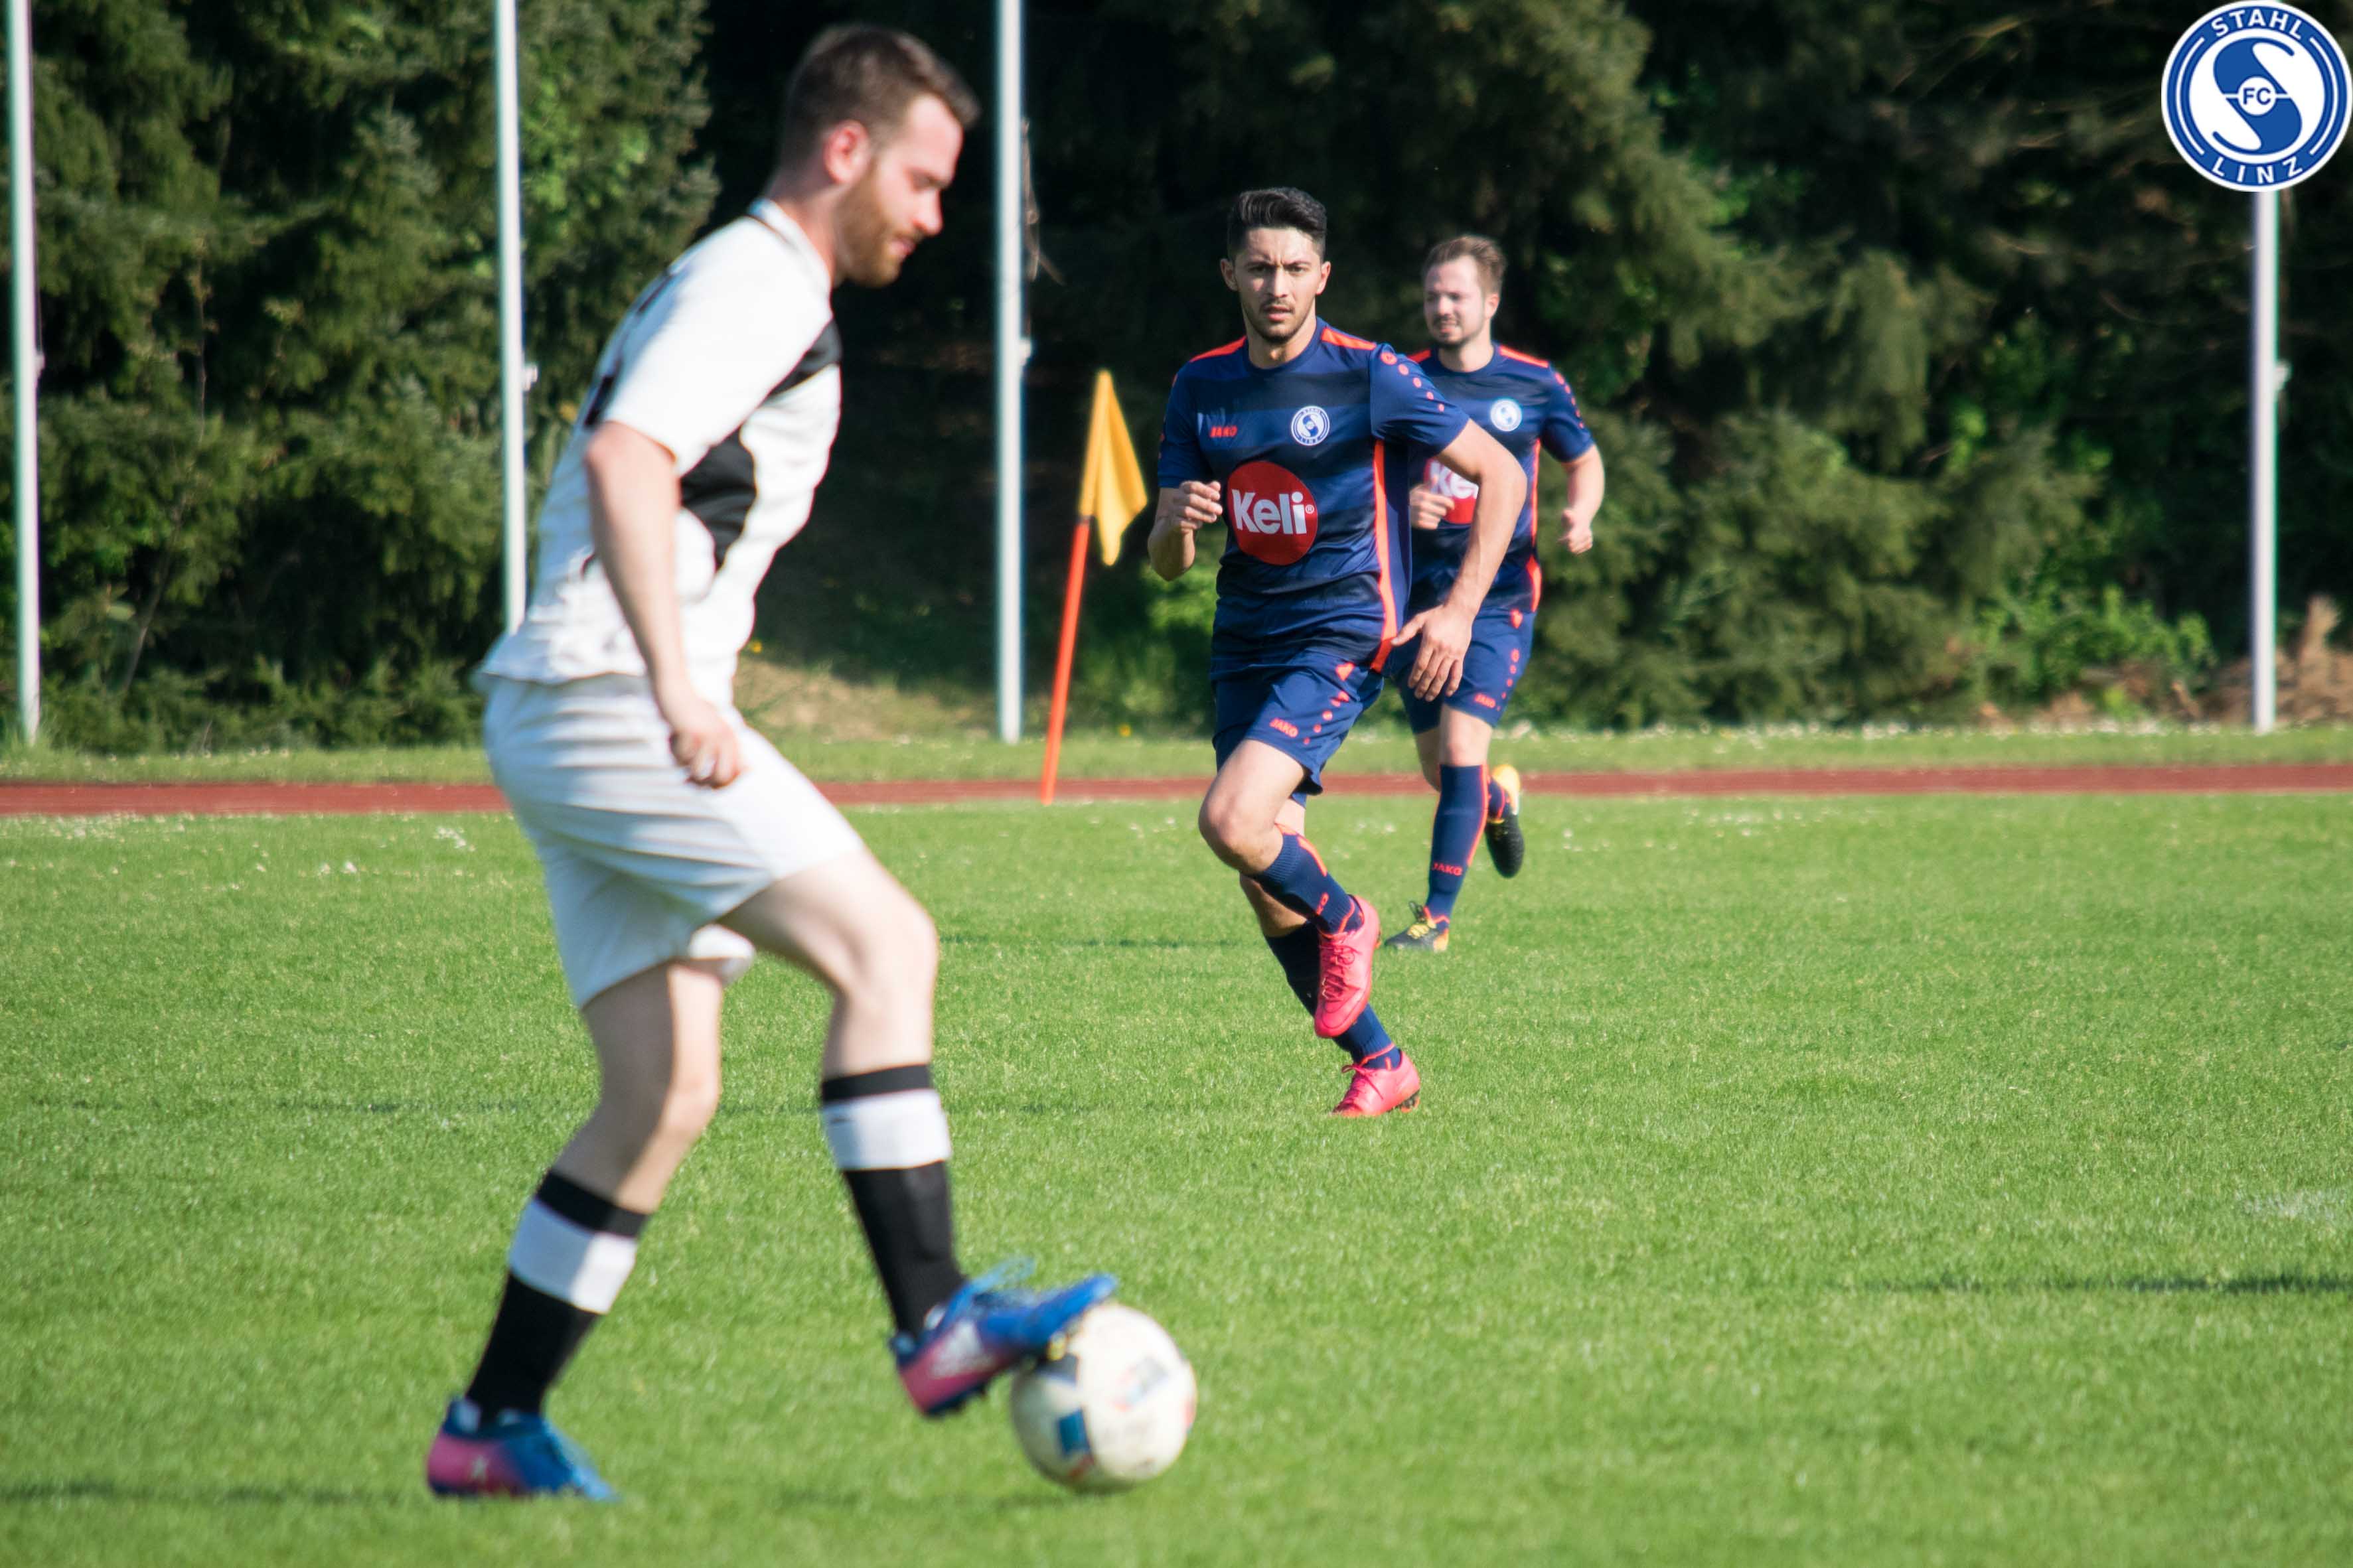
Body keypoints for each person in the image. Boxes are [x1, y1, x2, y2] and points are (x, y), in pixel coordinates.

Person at [427, 26, 1111, 1501]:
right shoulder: (760, 279)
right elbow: (626, 457)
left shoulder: (752, 281)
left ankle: (488, 1426)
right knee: (888, 945)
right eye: (924, 181)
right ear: (845, 150)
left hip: (565, 697)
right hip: (612, 693)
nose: (935, 217)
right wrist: (680, 684)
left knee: (660, 1092)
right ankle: (934, 1317)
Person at [1148, 188, 1527, 1119]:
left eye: (1293, 268)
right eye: (1258, 267)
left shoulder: (1370, 374)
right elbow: (1167, 564)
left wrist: (1456, 612)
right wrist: (1172, 524)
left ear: (1322, 276)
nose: (1275, 286)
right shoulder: (1199, 386)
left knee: (1230, 819)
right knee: (1264, 877)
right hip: (1244, 640)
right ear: (1230, 274)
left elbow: (1504, 474)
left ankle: (1350, 914)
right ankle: (1382, 1061)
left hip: (1343, 633)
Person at [1381, 236, 1604, 954]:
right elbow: (1370, 473)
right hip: (1416, 601)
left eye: (1456, 295)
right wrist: (1404, 502)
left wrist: (1581, 512)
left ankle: (1434, 920)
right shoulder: (1400, 381)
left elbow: (1584, 458)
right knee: (1441, 771)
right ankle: (1497, 799)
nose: (1441, 307)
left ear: (1490, 302)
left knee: (1458, 749)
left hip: (1499, 600)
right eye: (1432, 296)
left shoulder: (1534, 384)